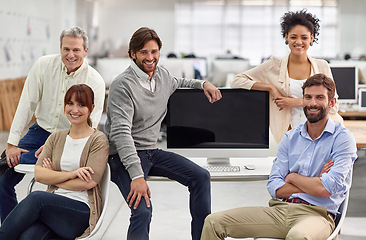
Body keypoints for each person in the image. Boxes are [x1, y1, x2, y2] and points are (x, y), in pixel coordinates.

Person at [201, 73, 357, 240]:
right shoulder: (290, 138)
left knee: (297, 236)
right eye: (308, 97)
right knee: (213, 222)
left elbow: (325, 189)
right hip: (280, 210)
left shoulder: (342, 139)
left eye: (319, 97)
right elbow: (275, 187)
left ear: (331, 102)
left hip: (318, 215)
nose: (312, 103)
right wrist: (316, 179)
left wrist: (292, 177)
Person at [104, 27, 222, 240]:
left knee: (201, 177)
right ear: (133, 54)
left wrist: (203, 83)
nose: (150, 57)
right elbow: (121, 133)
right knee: (142, 210)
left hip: (151, 151)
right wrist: (137, 176)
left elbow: (181, 82)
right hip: (121, 156)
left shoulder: (163, 76)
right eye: (143, 52)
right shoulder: (122, 84)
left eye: (154, 51)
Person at [0, 26, 105, 222]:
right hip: (40, 131)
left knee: (14, 162)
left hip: (70, 138)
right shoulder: (43, 65)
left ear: (85, 51)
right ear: (60, 48)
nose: (70, 55)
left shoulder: (95, 81)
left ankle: (30, 159)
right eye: (66, 49)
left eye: (76, 50)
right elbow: (26, 104)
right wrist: (12, 144)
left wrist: (52, 148)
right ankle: (11, 228)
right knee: (2, 179)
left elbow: (91, 126)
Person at [0, 84, 109, 240]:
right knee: (27, 237)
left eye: (81, 105)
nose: (75, 109)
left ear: (91, 108)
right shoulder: (56, 138)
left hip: (80, 211)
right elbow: (39, 174)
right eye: (70, 103)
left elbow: (88, 182)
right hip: (53, 208)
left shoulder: (98, 140)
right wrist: (72, 174)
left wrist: (54, 177)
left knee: (36, 198)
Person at [230, 10, 343, 144]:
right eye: (294, 37)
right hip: (288, 137)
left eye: (304, 37)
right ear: (286, 37)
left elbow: (333, 106)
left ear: (311, 38)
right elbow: (236, 81)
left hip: (319, 137)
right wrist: (270, 88)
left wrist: (296, 102)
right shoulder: (274, 65)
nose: (299, 42)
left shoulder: (322, 66)